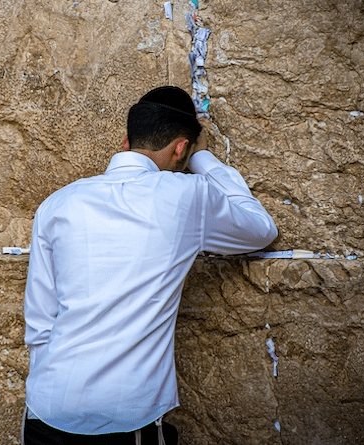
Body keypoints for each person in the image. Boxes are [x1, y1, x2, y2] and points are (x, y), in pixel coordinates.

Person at [22, 86, 278, 445]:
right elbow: (260, 229)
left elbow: (39, 320)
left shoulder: (57, 204)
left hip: (47, 410)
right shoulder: (186, 196)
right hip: (128, 417)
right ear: (180, 148)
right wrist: (203, 160)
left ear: (126, 141)